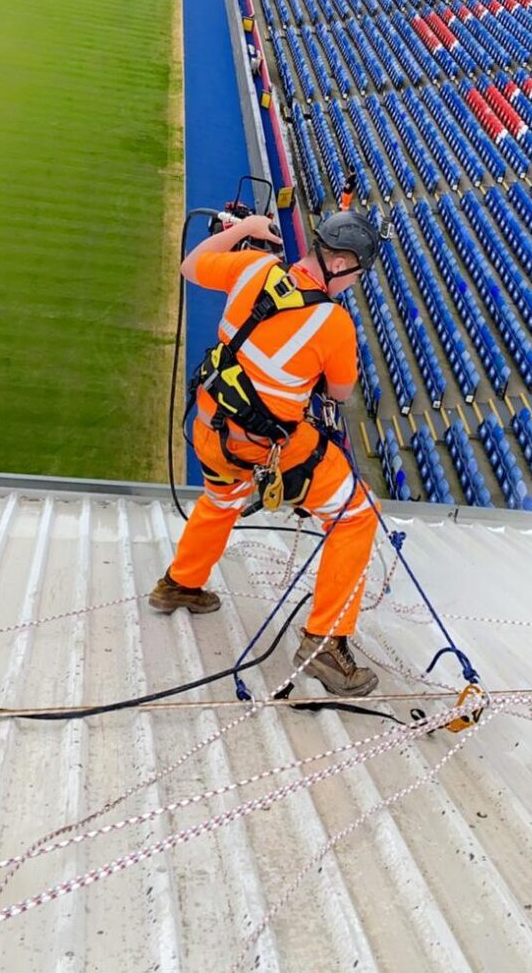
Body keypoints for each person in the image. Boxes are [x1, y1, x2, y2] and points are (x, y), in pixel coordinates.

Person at [149, 210, 383, 697]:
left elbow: (192, 266)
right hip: (267, 445)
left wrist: (244, 229)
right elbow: (339, 394)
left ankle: (180, 584)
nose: (354, 283)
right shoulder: (334, 323)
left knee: (221, 498)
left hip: (212, 426)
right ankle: (326, 644)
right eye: (356, 274)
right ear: (340, 263)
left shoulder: (254, 266)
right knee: (357, 515)